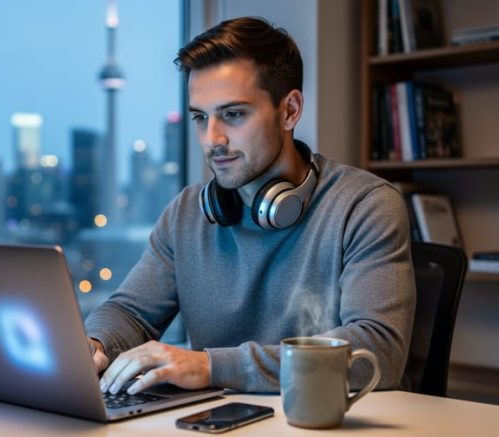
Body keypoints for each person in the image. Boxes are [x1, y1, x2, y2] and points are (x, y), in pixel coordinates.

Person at [85, 16, 416, 395]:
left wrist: (211, 366)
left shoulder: (365, 206)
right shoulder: (187, 213)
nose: (212, 139)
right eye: (199, 117)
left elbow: (379, 352)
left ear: (290, 110)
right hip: (223, 422)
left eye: (233, 114)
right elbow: (129, 312)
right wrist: (94, 345)